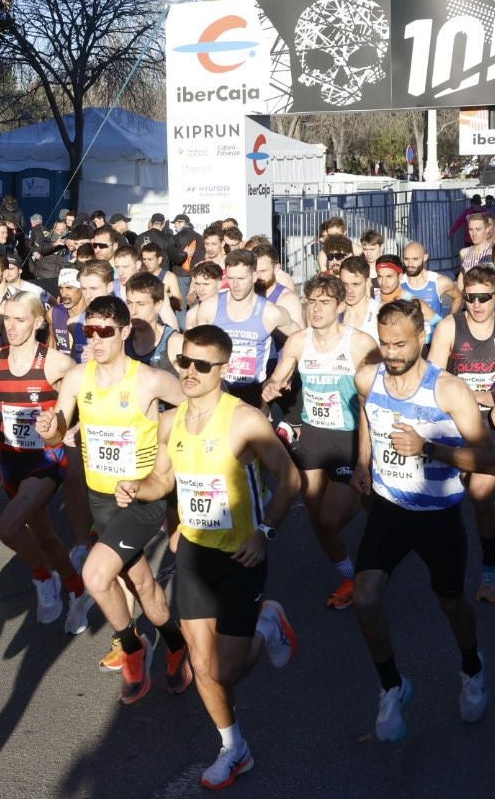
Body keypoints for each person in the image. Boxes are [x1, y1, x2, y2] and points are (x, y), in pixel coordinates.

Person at [118, 324, 301, 789]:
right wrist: (139, 488)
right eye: (184, 362)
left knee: (227, 670)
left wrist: (264, 533)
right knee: (202, 666)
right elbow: (163, 480)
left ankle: (267, 625)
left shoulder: (245, 421)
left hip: (243, 555)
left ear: (224, 369)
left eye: (202, 365)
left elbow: (290, 479)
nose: (190, 372)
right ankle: (234, 748)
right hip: (197, 555)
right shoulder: (170, 420)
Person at [352, 300, 495, 742]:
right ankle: (392, 685)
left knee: (451, 603)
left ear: (422, 339)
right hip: (388, 510)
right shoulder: (368, 377)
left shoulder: (449, 390)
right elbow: (366, 413)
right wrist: (362, 460)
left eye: (401, 344)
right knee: (364, 599)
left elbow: (490, 461)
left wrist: (430, 449)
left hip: (437, 515)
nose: (392, 353)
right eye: (385, 343)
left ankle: (472, 667)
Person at [38, 295, 189, 705]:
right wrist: (51, 427)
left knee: (95, 575)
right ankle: (177, 645)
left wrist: (170, 452)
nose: (97, 338)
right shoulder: (76, 379)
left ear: (124, 332)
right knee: (138, 580)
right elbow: (56, 434)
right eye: (90, 330)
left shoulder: (150, 379)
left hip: (141, 500)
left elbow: (200, 406)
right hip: (100, 498)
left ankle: (133, 647)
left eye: (106, 331)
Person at [260, 274, 380, 611]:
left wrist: (365, 457)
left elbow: (377, 396)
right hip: (312, 436)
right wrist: (272, 389)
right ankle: (350, 576)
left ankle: (375, 519)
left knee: (330, 519)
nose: (316, 308)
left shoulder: (360, 344)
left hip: (350, 437)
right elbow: (276, 380)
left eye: (324, 302)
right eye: (311, 301)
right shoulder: (298, 342)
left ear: (341, 306)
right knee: (317, 520)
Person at [0, 293, 89, 630]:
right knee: (45, 539)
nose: (11, 327)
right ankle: (76, 587)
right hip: (12, 459)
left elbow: (87, 409)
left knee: (8, 527)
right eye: (7, 320)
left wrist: (69, 430)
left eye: (20, 320)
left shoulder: (57, 364)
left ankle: (43, 579)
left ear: (38, 322)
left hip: (45, 460)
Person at [428, 264, 495, 598]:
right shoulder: (449, 327)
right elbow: (432, 376)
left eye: (484, 298)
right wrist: (477, 395)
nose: (476, 305)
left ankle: (489, 568)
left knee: (480, 491)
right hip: (459, 419)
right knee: (477, 494)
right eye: (471, 297)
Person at [187, 250, 300, 406]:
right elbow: (198, 351)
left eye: (241, 278)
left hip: (254, 393)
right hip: (218, 390)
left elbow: (301, 340)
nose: (235, 285)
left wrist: (281, 377)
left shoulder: (270, 312)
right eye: (231, 278)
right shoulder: (209, 307)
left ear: (254, 277)